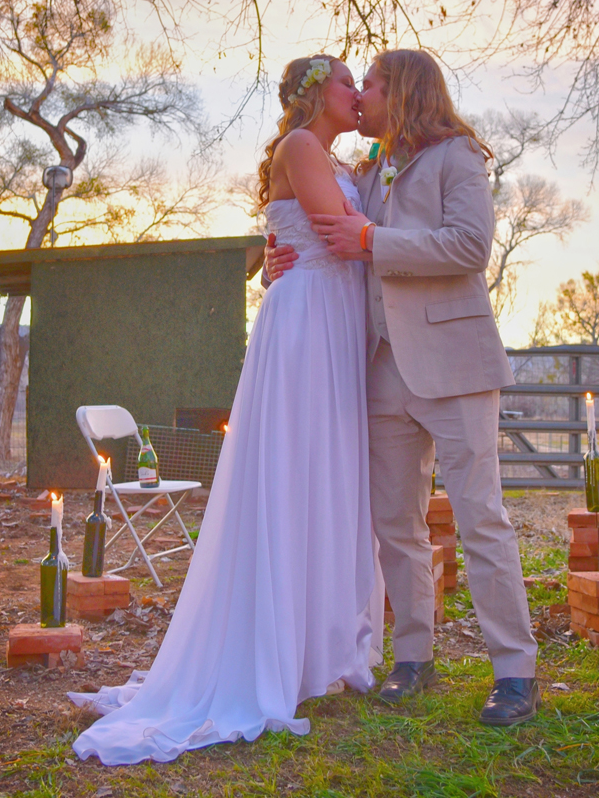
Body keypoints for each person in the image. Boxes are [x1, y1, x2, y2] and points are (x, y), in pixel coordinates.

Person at [68, 55, 382, 765]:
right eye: (345, 82)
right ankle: (267, 653)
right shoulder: (302, 147)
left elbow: (347, 228)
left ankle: (312, 644)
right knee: (292, 472)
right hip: (305, 324)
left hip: (333, 319)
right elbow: (339, 230)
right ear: (312, 95)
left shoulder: (337, 157)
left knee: (325, 476)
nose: (356, 93)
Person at [265, 48, 541, 726]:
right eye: (354, 85)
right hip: (382, 367)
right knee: (396, 524)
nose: (362, 95)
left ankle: (515, 670)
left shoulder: (458, 158)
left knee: (481, 518)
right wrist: (274, 263)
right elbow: (320, 236)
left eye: (374, 85)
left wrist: (374, 238)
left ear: (405, 90)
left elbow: (468, 247)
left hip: (454, 362)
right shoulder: (365, 169)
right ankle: (412, 657)